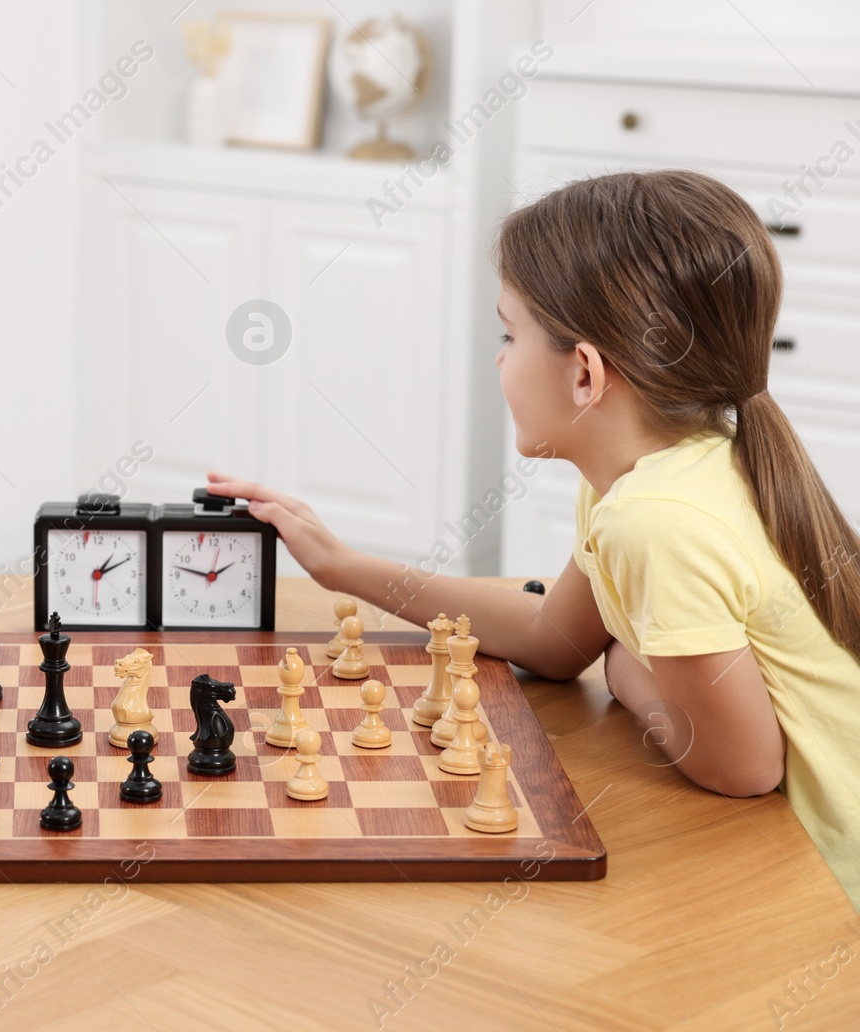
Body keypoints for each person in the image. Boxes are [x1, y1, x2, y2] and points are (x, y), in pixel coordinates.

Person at [210, 169, 860, 911]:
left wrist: (625, 672)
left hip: (826, 894)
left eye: (509, 334)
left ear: (585, 372)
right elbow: (553, 638)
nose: (499, 358)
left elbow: (743, 768)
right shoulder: (658, 474)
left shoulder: (656, 522)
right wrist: (344, 566)